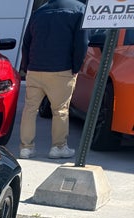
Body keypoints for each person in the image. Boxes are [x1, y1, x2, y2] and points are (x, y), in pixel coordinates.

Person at [18, 0, 88, 160]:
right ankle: (58, 147)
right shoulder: (80, 10)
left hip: (35, 69)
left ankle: (26, 149)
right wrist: (76, 67)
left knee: (30, 110)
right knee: (60, 110)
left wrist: (27, 65)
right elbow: (82, 43)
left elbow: (26, 42)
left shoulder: (40, 11)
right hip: (61, 69)